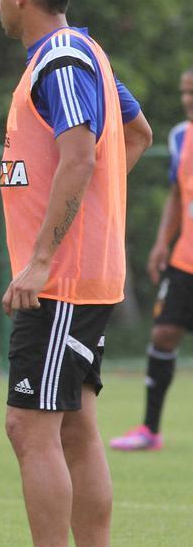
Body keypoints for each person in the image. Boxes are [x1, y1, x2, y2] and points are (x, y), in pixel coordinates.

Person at [0, 0, 152, 547]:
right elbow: (134, 134)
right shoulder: (82, 56)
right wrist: (96, 208)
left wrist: (41, 257)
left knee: (29, 428)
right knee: (76, 429)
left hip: (59, 282)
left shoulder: (60, 61)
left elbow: (82, 153)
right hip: (79, 275)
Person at [110, 68, 193, 452]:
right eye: (184, 92)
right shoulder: (180, 137)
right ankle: (150, 429)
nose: (188, 100)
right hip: (184, 259)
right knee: (163, 333)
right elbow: (178, 194)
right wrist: (162, 242)